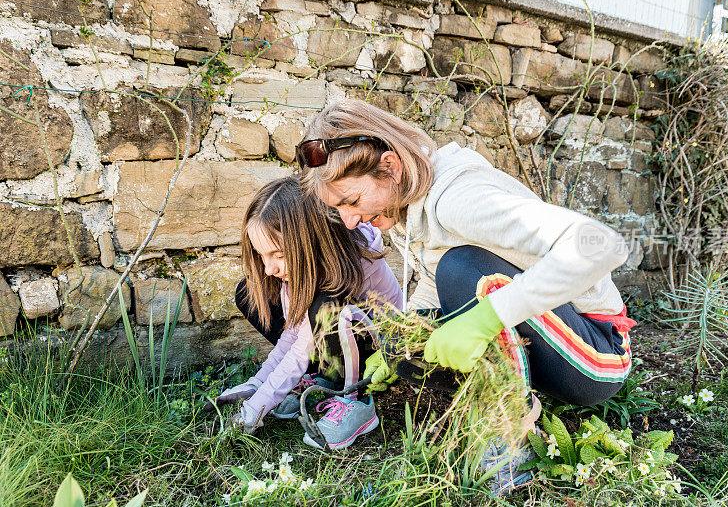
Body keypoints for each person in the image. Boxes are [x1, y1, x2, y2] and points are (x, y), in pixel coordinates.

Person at [297, 99, 637, 492]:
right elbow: (430, 276)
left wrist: (485, 319)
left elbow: (600, 245)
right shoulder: (404, 204)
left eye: (351, 202)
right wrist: (400, 348)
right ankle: (497, 401)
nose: (351, 220)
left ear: (390, 166)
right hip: (551, 339)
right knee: (406, 337)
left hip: (597, 355)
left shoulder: (459, 197)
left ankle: (511, 439)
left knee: (463, 268)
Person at [208, 176, 402, 450]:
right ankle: (318, 378)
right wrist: (257, 384)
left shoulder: (349, 267)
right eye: (262, 255)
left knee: (326, 305)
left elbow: (302, 347)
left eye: (279, 255)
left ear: (309, 243)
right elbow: (292, 335)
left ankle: (354, 402)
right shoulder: (301, 269)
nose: (269, 268)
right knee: (249, 292)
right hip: (333, 345)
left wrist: (255, 410)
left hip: (377, 352)